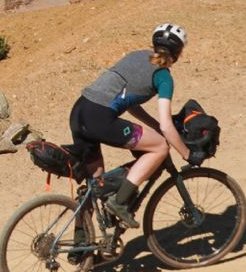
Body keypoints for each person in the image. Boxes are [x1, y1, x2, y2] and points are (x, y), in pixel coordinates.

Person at [69, 24, 189, 228]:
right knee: (160, 146)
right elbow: (168, 127)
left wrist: (154, 125)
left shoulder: (136, 56)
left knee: (96, 185)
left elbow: (129, 103)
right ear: (178, 53)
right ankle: (119, 202)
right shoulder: (163, 76)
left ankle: (81, 251)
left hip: (79, 112)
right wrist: (187, 154)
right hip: (100, 118)